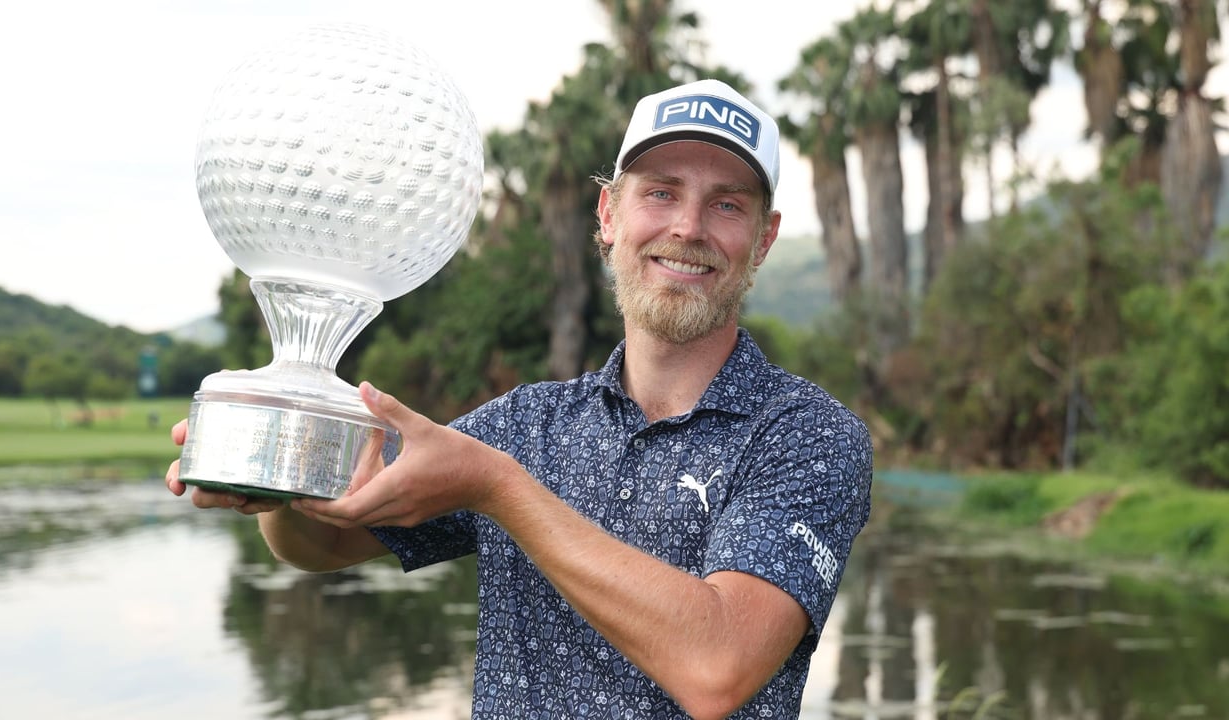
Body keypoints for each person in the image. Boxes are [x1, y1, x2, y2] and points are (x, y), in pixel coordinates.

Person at [166, 78, 873, 720]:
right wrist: (281, 476)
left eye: (726, 205)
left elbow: (717, 667)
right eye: (660, 192)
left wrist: (498, 488)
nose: (688, 227)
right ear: (608, 214)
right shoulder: (527, 423)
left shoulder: (807, 436)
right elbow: (322, 544)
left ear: (764, 239)